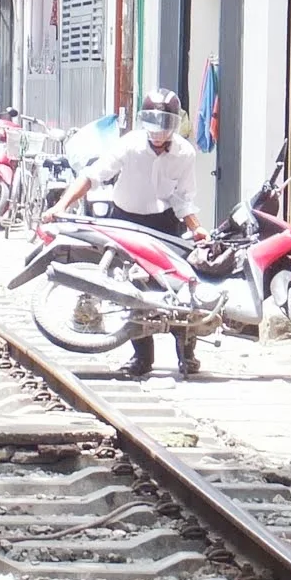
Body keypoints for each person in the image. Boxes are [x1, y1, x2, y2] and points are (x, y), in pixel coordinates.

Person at [45, 89, 205, 378]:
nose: (159, 133)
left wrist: (196, 227)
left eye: (166, 124)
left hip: (165, 224)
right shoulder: (129, 144)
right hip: (126, 221)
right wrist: (60, 204)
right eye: (154, 123)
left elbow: (183, 198)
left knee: (178, 288)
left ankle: (187, 354)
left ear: (174, 124)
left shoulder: (185, 153)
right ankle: (142, 358)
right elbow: (93, 176)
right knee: (130, 289)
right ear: (144, 122)